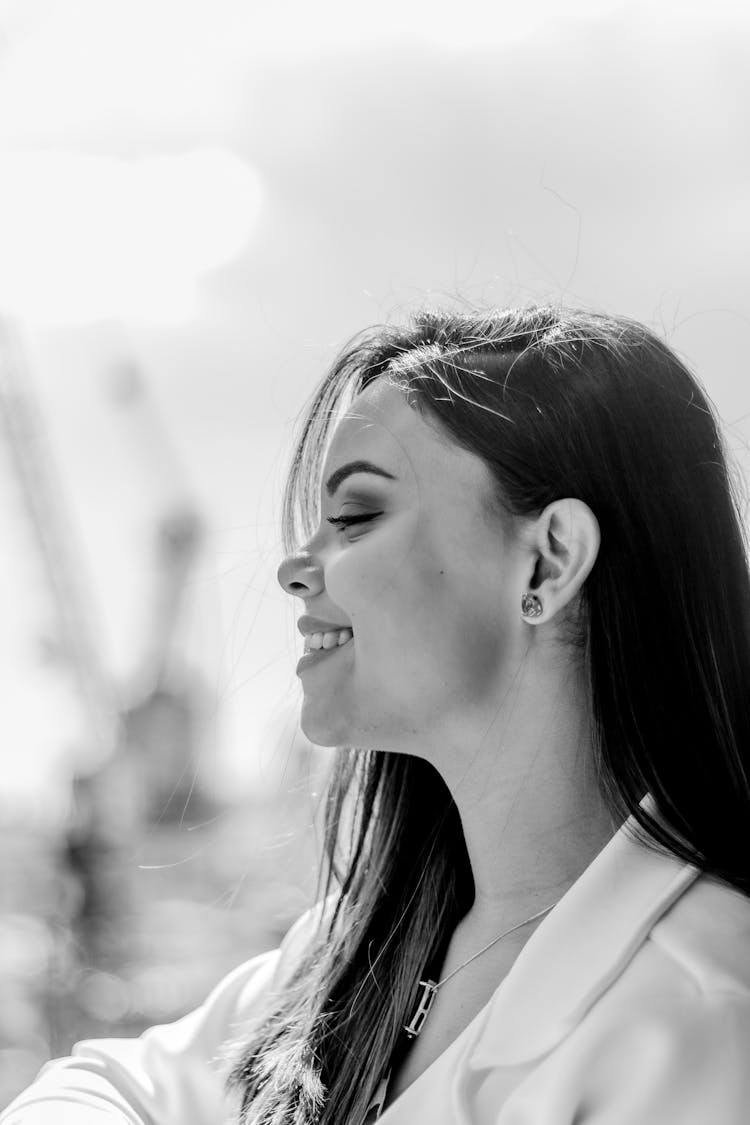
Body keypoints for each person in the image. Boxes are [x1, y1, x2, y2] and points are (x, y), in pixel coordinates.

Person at [3, 305, 750, 1125]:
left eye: (356, 516)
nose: (294, 565)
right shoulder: (363, 941)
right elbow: (117, 1084)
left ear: (550, 558)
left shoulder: (701, 1023)